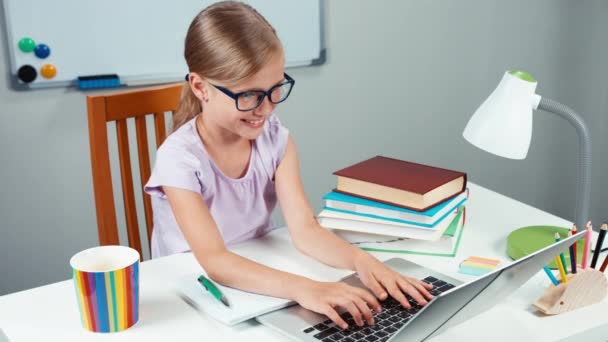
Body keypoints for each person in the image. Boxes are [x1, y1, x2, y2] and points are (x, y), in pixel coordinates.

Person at [145, 1, 433, 329]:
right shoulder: (178, 159)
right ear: (200, 88)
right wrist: (306, 288)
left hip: (260, 274)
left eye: (275, 89)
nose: (266, 109)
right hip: (191, 292)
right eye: (250, 96)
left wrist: (362, 262)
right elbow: (215, 261)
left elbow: (305, 229)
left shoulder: (274, 138)